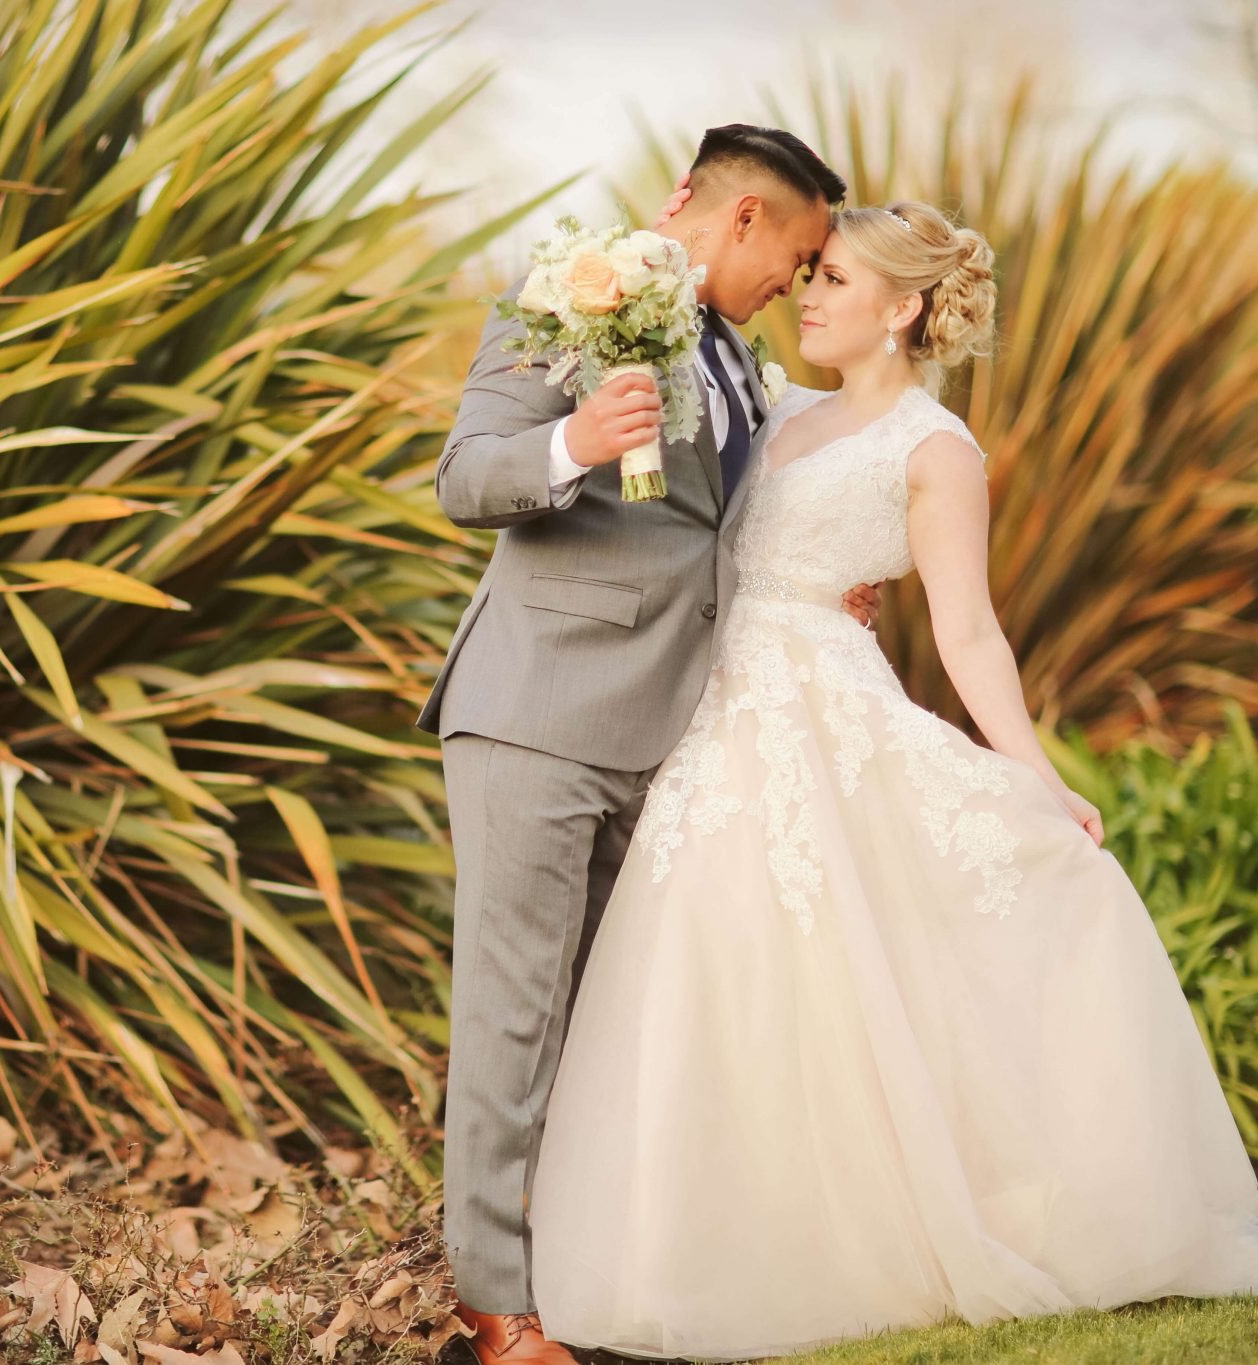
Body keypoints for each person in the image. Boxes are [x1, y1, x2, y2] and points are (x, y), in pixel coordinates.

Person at [524, 198, 1258, 1360]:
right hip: (714, 714)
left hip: (820, 718)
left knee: (845, 974)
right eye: (811, 273)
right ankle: (703, 1244)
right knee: (711, 970)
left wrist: (1032, 774)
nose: (809, 294)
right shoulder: (772, 414)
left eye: (832, 278)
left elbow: (970, 633)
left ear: (903, 308)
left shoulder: (931, 451)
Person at [417, 124, 875, 1364]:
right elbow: (462, 476)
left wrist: (811, 585)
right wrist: (575, 442)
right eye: (796, 250)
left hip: (675, 733)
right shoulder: (573, 291)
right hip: (537, 712)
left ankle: (582, 1281)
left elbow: (710, 534)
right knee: (514, 1017)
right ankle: (492, 1309)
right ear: (739, 221)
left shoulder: (736, 362)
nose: (798, 279)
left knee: (605, 1018)